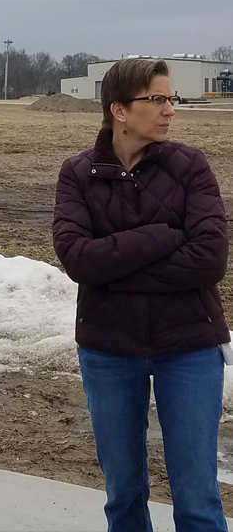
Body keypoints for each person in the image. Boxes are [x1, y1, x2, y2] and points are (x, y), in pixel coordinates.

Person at [53, 58, 229, 532]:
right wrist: (164, 237)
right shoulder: (78, 174)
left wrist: (113, 270)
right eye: (158, 99)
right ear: (119, 110)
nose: (170, 109)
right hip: (109, 350)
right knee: (124, 494)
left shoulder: (190, 166)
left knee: (197, 498)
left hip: (189, 348)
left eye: (171, 99)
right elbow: (78, 260)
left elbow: (210, 259)